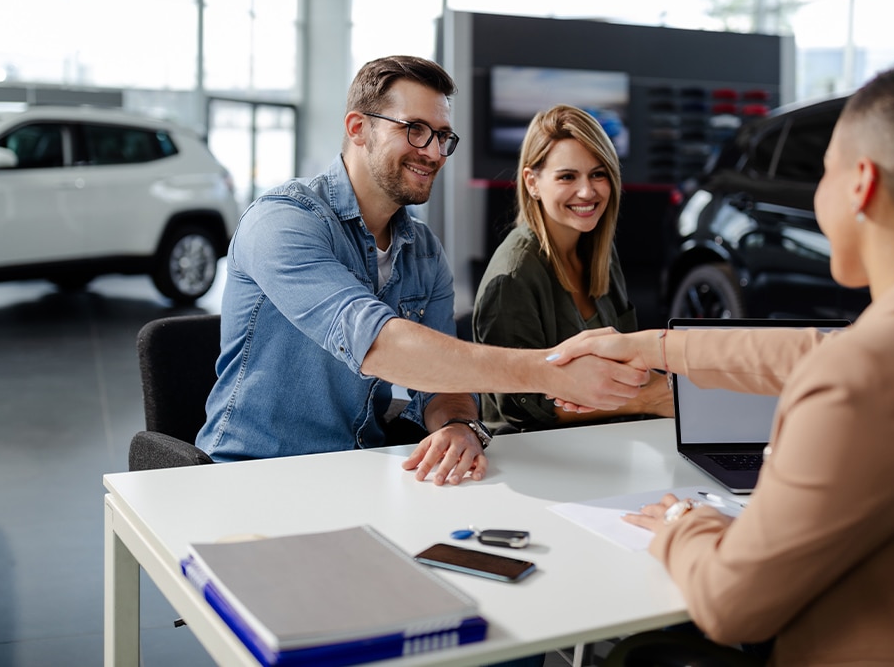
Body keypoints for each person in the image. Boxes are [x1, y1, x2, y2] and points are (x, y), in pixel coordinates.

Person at [552, 59, 894, 663]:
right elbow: (834, 347)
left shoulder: (867, 383)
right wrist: (657, 347)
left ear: (860, 186)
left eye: (822, 173)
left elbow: (730, 602)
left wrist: (685, 525)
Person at [195, 55, 647, 485]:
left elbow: (443, 386)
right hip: (253, 475)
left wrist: (457, 425)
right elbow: (380, 345)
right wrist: (550, 372)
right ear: (358, 128)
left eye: (442, 136)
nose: (432, 152)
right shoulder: (283, 221)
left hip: (358, 470)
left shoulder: (424, 250)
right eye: (415, 130)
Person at [472, 104, 673, 431]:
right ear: (532, 182)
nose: (587, 191)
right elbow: (522, 410)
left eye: (598, 173)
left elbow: (627, 358)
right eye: (567, 176)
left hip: (610, 439)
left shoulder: (599, 251)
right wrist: (649, 399)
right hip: (538, 457)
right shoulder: (513, 277)